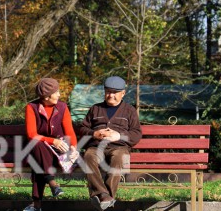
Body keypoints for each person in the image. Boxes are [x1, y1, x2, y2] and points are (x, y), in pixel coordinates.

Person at [79, 76, 142, 211]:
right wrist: (94, 134)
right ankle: (103, 195)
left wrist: (118, 136)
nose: (111, 95)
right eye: (108, 91)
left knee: (118, 158)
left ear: (123, 93)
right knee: (88, 156)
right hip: (96, 146)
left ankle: (105, 198)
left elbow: (136, 133)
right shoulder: (95, 108)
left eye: (115, 92)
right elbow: (83, 128)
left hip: (119, 147)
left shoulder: (129, 110)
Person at [23, 77, 79, 211]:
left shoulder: (62, 107)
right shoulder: (32, 108)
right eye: (57, 92)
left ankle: (37, 204)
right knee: (38, 146)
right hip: (36, 150)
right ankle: (52, 182)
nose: (59, 94)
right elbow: (32, 134)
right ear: (47, 96)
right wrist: (53, 140)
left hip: (56, 154)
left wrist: (73, 148)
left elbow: (70, 131)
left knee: (39, 160)